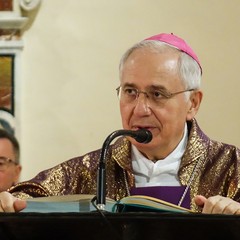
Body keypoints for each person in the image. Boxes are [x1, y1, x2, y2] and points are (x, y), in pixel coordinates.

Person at [0, 32, 240, 214]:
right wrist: (7, 204)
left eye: (157, 94)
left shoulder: (232, 167)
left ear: (193, 103)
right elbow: (23, 199)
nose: (140, 109)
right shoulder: (87, 171)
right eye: (130, 92)